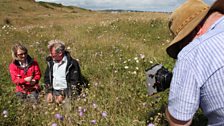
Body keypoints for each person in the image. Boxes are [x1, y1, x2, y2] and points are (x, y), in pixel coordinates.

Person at [165, 0, 224, 125]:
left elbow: (180, 122)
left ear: (196, 30)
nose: (183, 49)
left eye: (182, 44)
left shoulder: (191, 53)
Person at [44, 40, 83, 104]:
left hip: (67, 92)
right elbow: (47, 78)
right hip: (53, 91)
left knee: (67, 111)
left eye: (52, 54)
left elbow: (74, 82)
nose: (50, 55)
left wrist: (63, 95)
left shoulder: (72, 63)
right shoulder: (51, 62)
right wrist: (49, 92)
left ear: (60, 53)